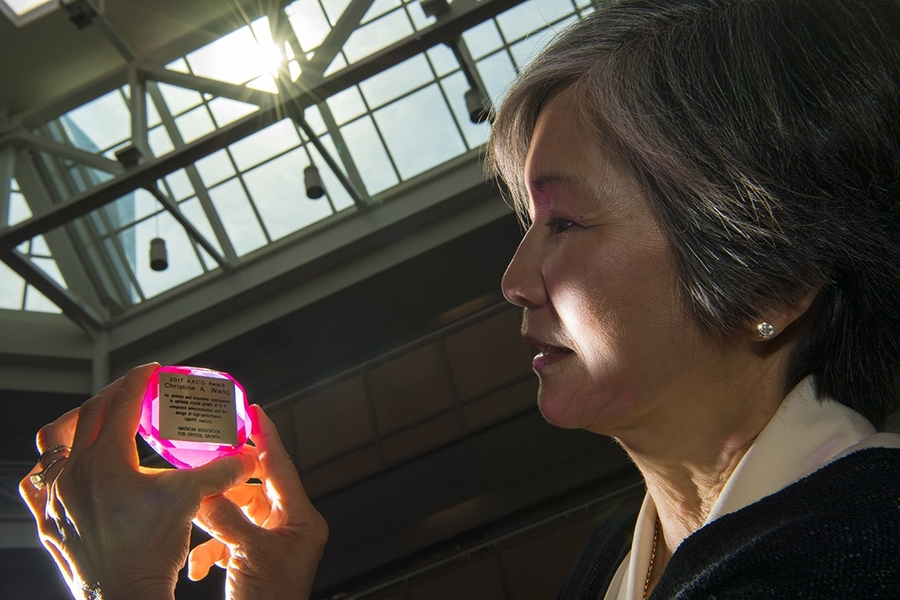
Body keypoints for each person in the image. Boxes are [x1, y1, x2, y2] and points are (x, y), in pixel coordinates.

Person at [19, 0, 900, 598]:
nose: (515, 282)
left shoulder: (855, 555)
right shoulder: (614, 558)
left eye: (565, 224)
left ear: (775, 285)